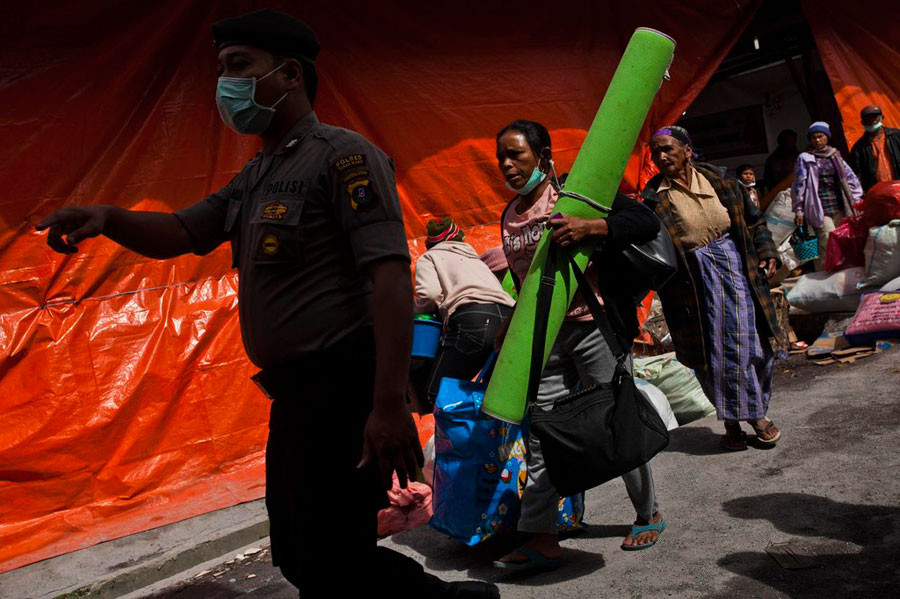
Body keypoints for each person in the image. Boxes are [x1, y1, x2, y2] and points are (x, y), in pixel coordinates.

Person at [36, 9, 498, 599]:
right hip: (297, 397)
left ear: (287, 75)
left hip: (344, 390)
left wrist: (388, 404)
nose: (223, 83)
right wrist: (106, 219)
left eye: (238, 66)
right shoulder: (255, 175)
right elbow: (181, 231)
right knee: (302, 554)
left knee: (332, 556)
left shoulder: (344, 157)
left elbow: (389, 280)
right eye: (222, 68)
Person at [492, 120, 665, 570]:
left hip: (595, 328)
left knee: (616, 421)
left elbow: (644, 220)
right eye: (502, 158)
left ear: (543, 155)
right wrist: (511, 323)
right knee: (542, 431)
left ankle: (648, 513)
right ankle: (541, 536)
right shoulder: (510, 215)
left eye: (517, 155)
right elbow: (527, 280)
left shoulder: (576, 192)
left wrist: (592, 226)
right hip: (545, 339)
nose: (508, 165)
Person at [642, 125, 783, 451]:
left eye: (668, 150)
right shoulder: (652, 200)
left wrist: (767, 251)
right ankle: (746, 421)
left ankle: (744, 417)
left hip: (737, 271)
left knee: (752, 346)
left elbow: (754, 221)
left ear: (687, 151)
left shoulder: (720, 181)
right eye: (656, 153)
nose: (662, 157)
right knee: (712, 357)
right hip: (692, 286)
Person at [414, 216, 514, 410]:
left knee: (435, 395)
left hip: (473, 319)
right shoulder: (475, 259)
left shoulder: (429, 257)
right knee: (491, 398)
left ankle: (457, 438)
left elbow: (429, 294)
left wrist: (417, 312)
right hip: (508, 319)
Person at [791, 121, 863, 270]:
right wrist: (799, 209)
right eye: (814, 138)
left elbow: (850, 178)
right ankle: (827, 274)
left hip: (839, 206)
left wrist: (856, 200)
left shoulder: (835, 155)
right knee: (828, 240)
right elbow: (798, 185)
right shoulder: (805, 158)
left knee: (842, 239)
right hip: (819, 207)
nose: (817, 140)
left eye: (820, 136)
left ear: (827, 137)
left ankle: (844, 273)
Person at [849, 105, 900, 192]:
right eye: (867, 118)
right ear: (862, 122)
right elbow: (857, 174)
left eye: (874, 117)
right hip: (878, 192)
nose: (871, 120)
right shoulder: (859, 147)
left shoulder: (896, 136)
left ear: (882, 118)